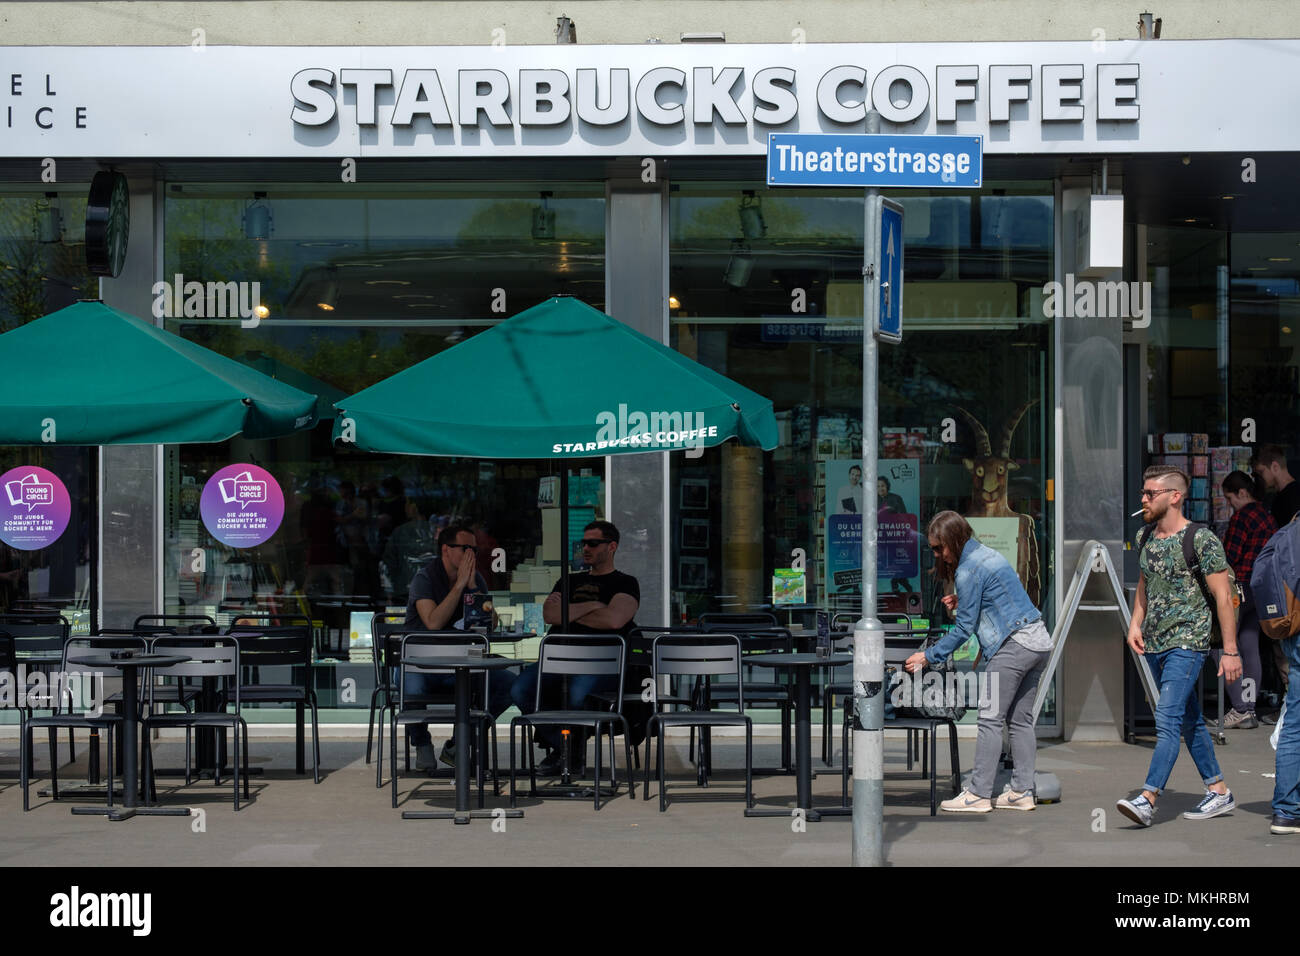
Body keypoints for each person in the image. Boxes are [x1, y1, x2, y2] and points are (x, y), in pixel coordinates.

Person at [1116, 465, 1242, 827]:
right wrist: (1134, 624)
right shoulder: (1144, 536)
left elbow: (1223, 597)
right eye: (1143, 493)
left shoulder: (1201, 539)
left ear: (1175, 496)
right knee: (1189, 720)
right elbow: (1144, 584)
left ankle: (1147, 798)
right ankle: (1218, 790)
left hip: (1188, 643)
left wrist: (1230, 651)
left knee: (1168, 719)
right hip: (1154, 643)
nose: (1143, 500)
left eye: (1149, 493)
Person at [904, 510, 1049, 812]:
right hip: (1037, 641)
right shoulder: (987, 554)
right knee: (1020, 721)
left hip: (1012, 647)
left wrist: (928, 656)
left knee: (989, 718)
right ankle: (1022, 791)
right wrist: (964, 601)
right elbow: (999, 597)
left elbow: (963, 629)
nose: (938, 555)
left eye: (939, 547)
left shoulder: (968, 570)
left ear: (954, 540)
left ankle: (979, 794)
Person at [510, 520, 639, 776]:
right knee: (520, 688)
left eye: (593, 543)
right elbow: (549, 614)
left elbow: (615, 619)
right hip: (557, 660)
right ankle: (567, 747)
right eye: (583, 543)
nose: (585, 548)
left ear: (612, 546)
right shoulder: (568, 580)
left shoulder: (625, 583)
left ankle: (568, 753)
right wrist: (595, 605)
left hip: (600, 662)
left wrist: (567, 613)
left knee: (578, 693)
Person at [403, 523, 514, 771]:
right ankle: (422, 743)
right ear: (446, 550)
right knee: (411, 687)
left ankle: (460, 741)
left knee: (508, 684)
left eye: (475, 549)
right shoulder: (425, 577)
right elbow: (433, 622)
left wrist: (473, 587)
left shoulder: (475, 580)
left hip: (463, 664)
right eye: (466, 548)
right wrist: (458, 586)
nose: (471, 554)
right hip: (422, 665)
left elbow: (490, 624)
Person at [1215, 471, 1276, 729]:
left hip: (1239, 587)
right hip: (1261, 589)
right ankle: (1249, 708)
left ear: (1241, 493)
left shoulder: (1242, 518)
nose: (1230, 506)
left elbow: (1230, 556)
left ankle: (1239, 708)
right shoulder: (1267, 515)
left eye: (1230, 499)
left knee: (1221, 644)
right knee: (1250, 645)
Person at [1251, 444, 1296, 704]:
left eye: (1261, 472)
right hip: (1288, 584)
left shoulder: (1287, 499)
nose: (1260, 479)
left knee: (1284, 648)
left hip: (1287, 586)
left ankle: (1289, 705)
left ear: (1275, 466)